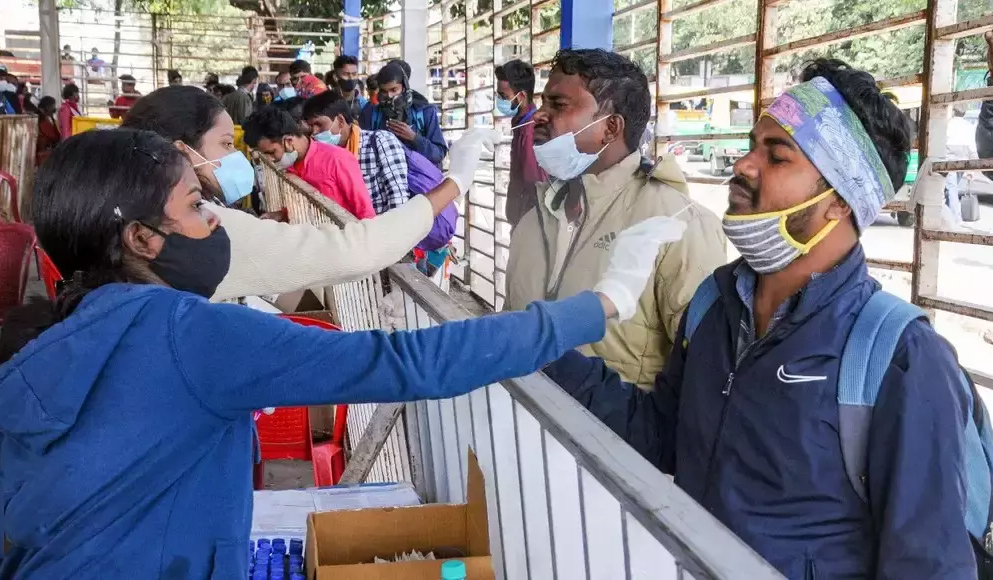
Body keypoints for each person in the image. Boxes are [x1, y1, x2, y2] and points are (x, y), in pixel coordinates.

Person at [0, 127, 679, 579]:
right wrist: (599, 304)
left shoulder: (57, 338)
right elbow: (408, 362)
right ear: (144, 240)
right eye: (197, 205)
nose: (216, 220)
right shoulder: (187, 333)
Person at [545, 58, 979, 578]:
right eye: (752, 146)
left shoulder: (899, 358)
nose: (745, 165)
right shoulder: (714, 303)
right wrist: (542, 349)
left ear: (839, 201)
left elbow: (929, 564)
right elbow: (663, 434)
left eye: (776, 156)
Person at [120, 85, 490, 301]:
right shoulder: (203, 226)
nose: (235, 158)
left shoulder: (127, 210)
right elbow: (354, 249)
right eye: (226, 144)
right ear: (183, 152)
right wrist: (456, 181)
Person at [506, 49, 726, 389]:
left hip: (612, 424)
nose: (540, 116)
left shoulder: (678, 227)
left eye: (558, 105)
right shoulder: (534, 221)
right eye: (543, 103)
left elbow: (704, 376)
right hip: (519, 418)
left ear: (610, 127)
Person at [243, 107, 374, 219]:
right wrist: (281, 215)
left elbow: (366, 214)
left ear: (288, 141)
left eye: (271, 152)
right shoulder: (289, 167)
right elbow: (301, 210)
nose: (270, 159)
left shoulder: (337, 159)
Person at [303, 90, 409, 215]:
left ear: (340, 120)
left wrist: (391, 226)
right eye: (311, 127)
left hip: (382, 223)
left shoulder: (379, 141)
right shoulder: (323, 157)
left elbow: (398, 196)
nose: (314, 132)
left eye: (319, 124)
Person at [360, 61, 448, 167]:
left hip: (419, 176)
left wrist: (414, 138)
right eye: (384, 91)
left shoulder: (425, 112)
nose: (389, 96)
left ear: (404, 87)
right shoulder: (370, 113)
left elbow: (439, 154)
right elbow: (362, 152)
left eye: (394, 90)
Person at [495, 59, 546, 227]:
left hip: (529, 220)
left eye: (504, 96)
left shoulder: (530, 130)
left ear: (522, 96)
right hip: (520, 215)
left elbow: (534, 183)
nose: (500, 101)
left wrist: (524, 224)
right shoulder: (520, 123)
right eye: (498, 95)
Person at [35, 96, 60, 166]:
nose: (54, 109)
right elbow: (53, 137)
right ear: (47, 107)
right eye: (53, 107)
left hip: (44, 153)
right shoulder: (42, 119)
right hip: (44, 155)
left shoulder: (44, 117)